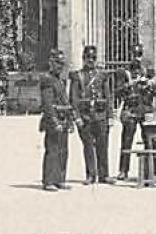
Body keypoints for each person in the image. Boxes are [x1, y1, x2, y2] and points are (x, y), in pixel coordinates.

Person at [116, 47, 156, 184]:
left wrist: (149, 84)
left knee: (150, 140)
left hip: (146, 109)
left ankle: (153, 170)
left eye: (139, 55)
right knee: (127, 140)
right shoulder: (124, 73)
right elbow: (117, 91)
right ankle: (123, 170)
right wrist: (129, 85)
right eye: (135, 54)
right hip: (131, 109)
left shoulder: (148, 72)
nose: (137, 57)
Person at [72, 44, 112, 184]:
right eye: (88, 57)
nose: (91, 60)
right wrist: (77, 117)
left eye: (93, 58)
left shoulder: (102, 75)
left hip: (100, 115)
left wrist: (110, 116)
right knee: (88, 146)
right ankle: (90, 175)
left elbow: (108, 97)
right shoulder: (78, 76)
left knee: (103, 145)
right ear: (83, 58)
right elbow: (74, 99)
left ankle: (104, 174)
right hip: (86, 116)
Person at [38, 50, 74, 191]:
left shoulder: (60, 80)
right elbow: (47, 104)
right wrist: (54, 121)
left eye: (62, 64)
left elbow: (65, 101)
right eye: (57, 63)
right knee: (52, 150)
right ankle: (48, 181)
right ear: (51, 63)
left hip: (63, 117)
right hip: (54, 119)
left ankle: (60, 178)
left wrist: (69, 120)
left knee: (63, 150)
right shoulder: (47, 80)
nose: (60, 66)